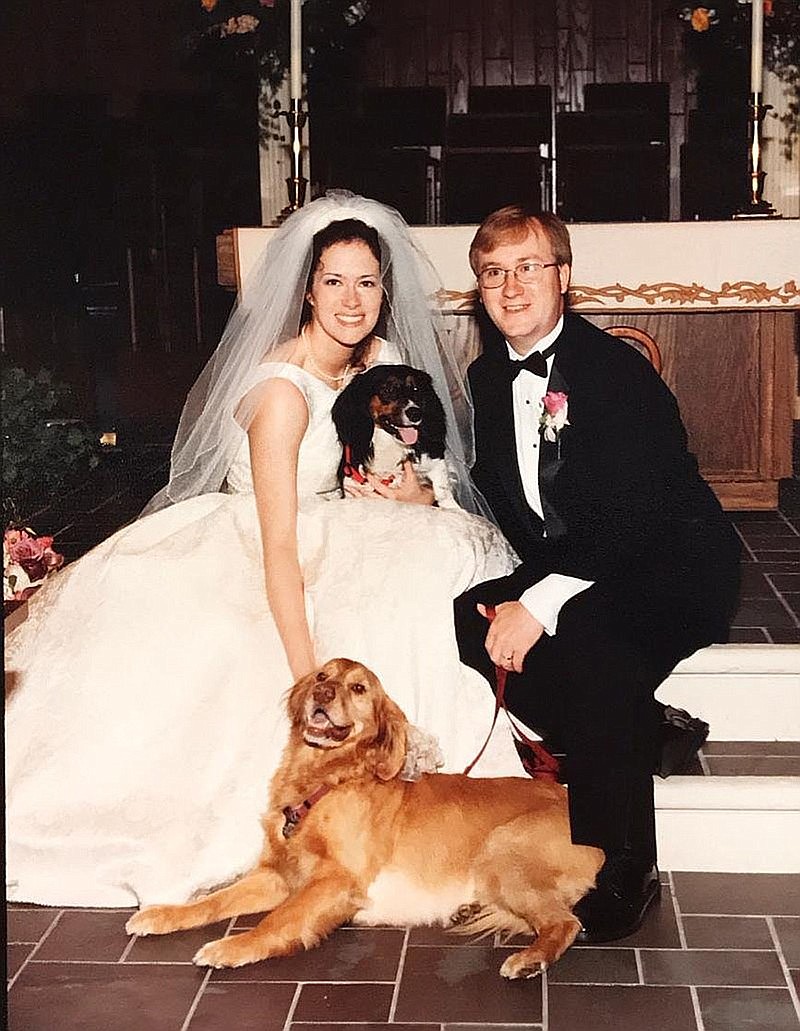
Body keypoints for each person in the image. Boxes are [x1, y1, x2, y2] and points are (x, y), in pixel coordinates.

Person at [5, 193, 523, 909]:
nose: (352, 299)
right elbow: (280, 546)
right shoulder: (282, 392)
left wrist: (419, 498)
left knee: (447, 551)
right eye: (334, 281)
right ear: (306, 289)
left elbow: (416, 464)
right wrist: (310, 674)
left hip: (352, 533)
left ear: (385, 290)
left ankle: (428, 796)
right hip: (260, 550)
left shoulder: (383, 361)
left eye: (367, 282)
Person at [454, 205, 741, 944]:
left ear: (564, 276)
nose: (512, 287)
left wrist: (542, 600)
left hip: (672, 565)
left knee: (588, 641)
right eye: (494, 273)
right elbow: (505, 493)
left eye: (528, 267)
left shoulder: (614, 372)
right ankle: (644, 729)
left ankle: (624, 864)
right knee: (465, 615)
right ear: (479, 289)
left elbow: (640, 514)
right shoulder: (488, 378)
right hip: (579, 561)